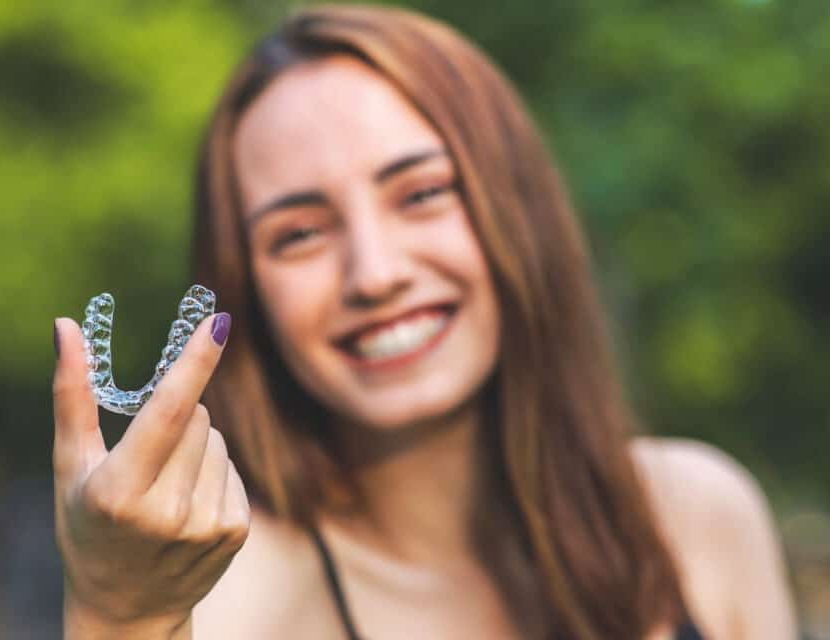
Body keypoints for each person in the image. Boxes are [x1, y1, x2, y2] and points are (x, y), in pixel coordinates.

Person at [51, 5, 797, 639]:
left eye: (422, 193)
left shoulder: (697, 517)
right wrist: (119, 616)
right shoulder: (228, 597)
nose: (375, 274)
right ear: (243, 290)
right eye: (300, 234)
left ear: (520, 205)